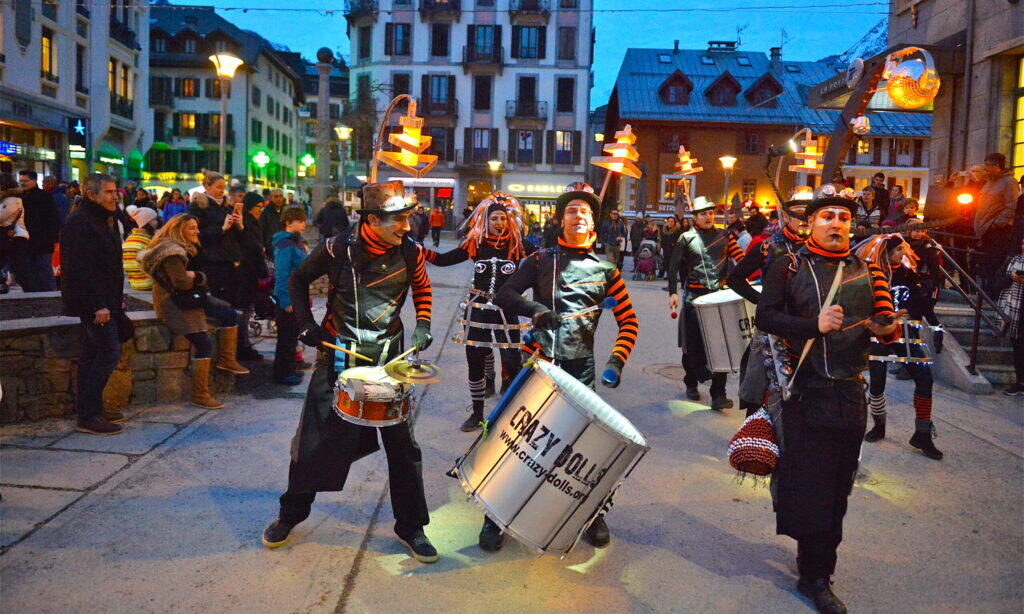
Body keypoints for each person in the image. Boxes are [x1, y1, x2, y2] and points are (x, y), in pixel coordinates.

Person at [262, 180, 438, 564]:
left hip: (391, 362)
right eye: (399, 219)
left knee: (404, 450)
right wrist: (306, 324)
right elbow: (296, 280)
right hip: (338, 358)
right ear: (373, 220)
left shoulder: (410, 252)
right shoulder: (334, 248)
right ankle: (291, 514)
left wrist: (423, 323)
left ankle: (412, 527)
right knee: (311, 441)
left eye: (409, 217)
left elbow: (423, 291)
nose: (407, 226)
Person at [755, 196, 902, 614]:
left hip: (849, 393)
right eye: (828, 217)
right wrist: (811, 326)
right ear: (811, 224)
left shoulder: (870, 270)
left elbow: (886, 325)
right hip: (804, 391)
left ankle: (819, 562)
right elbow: (766, 316)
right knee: (810, 483)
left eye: (844, 218)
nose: (837, 223)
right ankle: (815, 574)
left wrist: (887, 328)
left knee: (839, 486)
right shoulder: (789, 265)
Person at [493, 181, 639, 551]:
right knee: (517, 442)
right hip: (540, 365)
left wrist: (616, 363)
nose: (578, 216)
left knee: (584, 450)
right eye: (572, 210)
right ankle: (494, 514)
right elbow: (504, 294)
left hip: (581, 371)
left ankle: (593, 514)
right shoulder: (540, 259)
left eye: (585, 212)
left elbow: (629, 323)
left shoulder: (607, 270)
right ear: (560, 219)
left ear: (594, 224)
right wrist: (537, 311)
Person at [422, 192, 534, 431]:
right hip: (478, 311)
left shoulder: (519, 245)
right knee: (476, 359)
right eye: (494, 219)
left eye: (503, 219)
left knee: (512, 361)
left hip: (507, 309)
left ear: (509, 220)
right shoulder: (475, 244)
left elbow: (543, 263)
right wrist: (417, 250)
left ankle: (507, 411)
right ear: (486, 220)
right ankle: (477, 412)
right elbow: (442, 260)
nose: (499, 223)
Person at [139, 214, 242, 410]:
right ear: (179, 230)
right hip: (173, 305)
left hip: (185, 301)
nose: (197, 232)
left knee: (228, 314)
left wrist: (196, 275)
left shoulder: (184, 249)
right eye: (191, 228)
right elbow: (181, 282)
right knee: (203, 344)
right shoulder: (170, 252)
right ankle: (200, 394)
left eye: (196, 227)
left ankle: (226, 360)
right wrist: (198, 276)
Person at [860, 235, 943, 460]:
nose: (902, 253)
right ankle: (879, 425)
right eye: (897, 250)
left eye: (902, 249)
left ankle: (922, 434)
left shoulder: (909, 274)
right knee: (877, 381)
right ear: (884, 253)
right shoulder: (870, 274)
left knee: (924, 377)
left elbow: (923, 303)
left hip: (906, 332)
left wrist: (937, 328)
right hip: (879, 332)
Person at [59, 173, 131, 435]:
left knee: (92, 355)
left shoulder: (102, 219)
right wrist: (98, 305)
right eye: (109, 192)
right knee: (107, 354)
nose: (115, 197)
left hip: (106, 300)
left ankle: (91, 410)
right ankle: (88, 415)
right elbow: (80, 269)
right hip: (96, 304)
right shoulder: (81, 222)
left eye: (116, 192)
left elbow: (107, 265)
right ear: (92, 194)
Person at [726, 197, 810, 417]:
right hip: (773, 328)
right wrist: (762, 301)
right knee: (761, 384)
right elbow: (735, 279)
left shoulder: (816, 249)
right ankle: (754, 441)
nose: (805, 220)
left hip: (808, 327)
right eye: (799, 214)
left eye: (808, 215)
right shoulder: (767, 246)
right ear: (785, 217)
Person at [667, 197, 745, 409]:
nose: (708, 217)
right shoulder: (686, 238)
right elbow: (672, 267)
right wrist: (673, 292)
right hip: (694, 298)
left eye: (711, 213)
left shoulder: (725, 235)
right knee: (691, 347)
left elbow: (742, 260)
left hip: (719, 297)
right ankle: (691, 383)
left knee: (722, 347)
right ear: (695, 217)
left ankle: (718, 394)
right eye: (703, 214)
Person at [188, 171, 250, 375]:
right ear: (207, 186)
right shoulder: (200, 206)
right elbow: (196, 235)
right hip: (214, 263)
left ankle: (231, 355)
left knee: (232, 306)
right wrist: (221, 229)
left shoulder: (224, 206)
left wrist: (239, 225)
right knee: (221, 308)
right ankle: (224, 358)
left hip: (230, 262)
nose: (221, 190)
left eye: (223, 187)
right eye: (218, 187)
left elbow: (237, 237)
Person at [272, 206, 310, 386]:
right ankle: (283, 374)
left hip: (298, 294)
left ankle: (290, 370)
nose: (304, 224)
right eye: (300, 221)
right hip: (289, 296)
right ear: (288, 222)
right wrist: (285, 300)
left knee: (292, 336)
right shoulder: (285, 244)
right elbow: (282, 273)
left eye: (304, 220)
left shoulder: (296, 241)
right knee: (286, 338)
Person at [976, 153, 1020, 292]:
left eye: (988, 165)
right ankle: (987, 292)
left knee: (995, 262)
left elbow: (1012, 206)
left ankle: (993, 294)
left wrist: (997, 223)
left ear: (998, 166)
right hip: (986, 228)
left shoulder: (1008, 182)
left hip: (997, 230)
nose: (986, 168)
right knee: (987, 263)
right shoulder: (989, 182)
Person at [234, 186, 268, 362]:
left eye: (262, 207)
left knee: (246, 310)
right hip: (245, 274)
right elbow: (252, 249)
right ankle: (242, 345)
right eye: (258, 207)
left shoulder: (253, 223)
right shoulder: (246, 223)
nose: (260, 211)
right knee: (244, 310)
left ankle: (243, 344)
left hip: (250, 273)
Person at [12, 170, 60, 291]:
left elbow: (53, 220)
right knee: (31, 273)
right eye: (20, 181)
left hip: (42, 243)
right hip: (26, 243)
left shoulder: (44, 197)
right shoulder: (20, 197)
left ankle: (50, 300)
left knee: (44, 272)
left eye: (25, 181)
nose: (22, 183)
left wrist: (50, 239)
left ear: (34, 181)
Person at [996, 238, 1024, 395]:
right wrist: (1011, 279)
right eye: (1023, 243)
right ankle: (1020, 382)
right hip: (1014, 310)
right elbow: (997, 282)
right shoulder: (1013, 260)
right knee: (1018, 346)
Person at [0, 173, 28, 294]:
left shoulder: (11, 200)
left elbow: (1, 217)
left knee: (17, 267)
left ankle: (30, 292)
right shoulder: (7, 199)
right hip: (9, 237)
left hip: (13, 237)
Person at [122, 205, 159, 291]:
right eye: (153, 220)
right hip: (148, 282)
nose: (156, 222)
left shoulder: (129, 239)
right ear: (145, 222)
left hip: (134, 282)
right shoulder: (146, 240)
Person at [261, 189, 286, 254]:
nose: (279, 199)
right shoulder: (265, 213)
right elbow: (261, 231)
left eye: (281, 196)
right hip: (270, 249)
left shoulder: (285, 212)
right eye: (276, 196)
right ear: (270, 198)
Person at [659, 216, 682, 280]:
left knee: (673, 264)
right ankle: (668, 275)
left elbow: (680, 240)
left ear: (674, 222)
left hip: (674, 250)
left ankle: (673, 277)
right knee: (666, 263)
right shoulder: (664, 230)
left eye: (672, 221)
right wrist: (662, 246)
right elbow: (662, 239)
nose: (670, 223)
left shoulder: (677, 231)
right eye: (669, 221)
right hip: (666, 249)